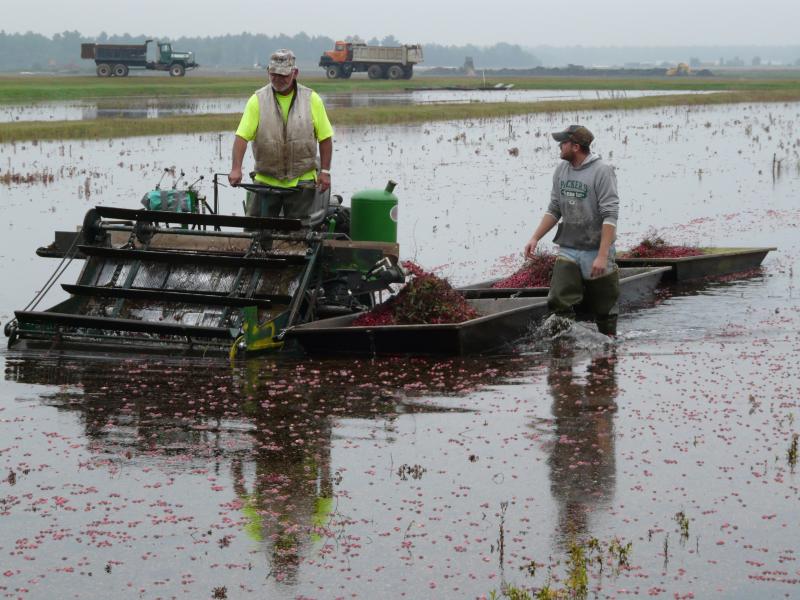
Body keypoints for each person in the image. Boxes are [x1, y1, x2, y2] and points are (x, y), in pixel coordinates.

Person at [523, 125, 620, 335]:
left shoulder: (603, 171)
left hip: (596, 248)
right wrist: (535, 237)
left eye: (563, 143)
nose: (559, 146)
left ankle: (608, 352)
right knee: (559, 301)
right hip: (568, 247)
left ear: (576, 146)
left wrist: (602, 256)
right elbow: (555, 208)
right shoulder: (561, 170)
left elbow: (610, 216)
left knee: (604, 309)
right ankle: (563, 353)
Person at [228, 49, 333, 220]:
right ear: (268, 72)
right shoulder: (258, 100)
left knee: (297, 237)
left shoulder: (311, 99)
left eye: (283, 75)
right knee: (255, 233)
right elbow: (241, 137)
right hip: (265, 180)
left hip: (302, 181)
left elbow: (325, 138)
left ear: (295, 73)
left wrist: (325, 171)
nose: (278, 79)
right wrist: (236, 168)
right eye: (273, 74)